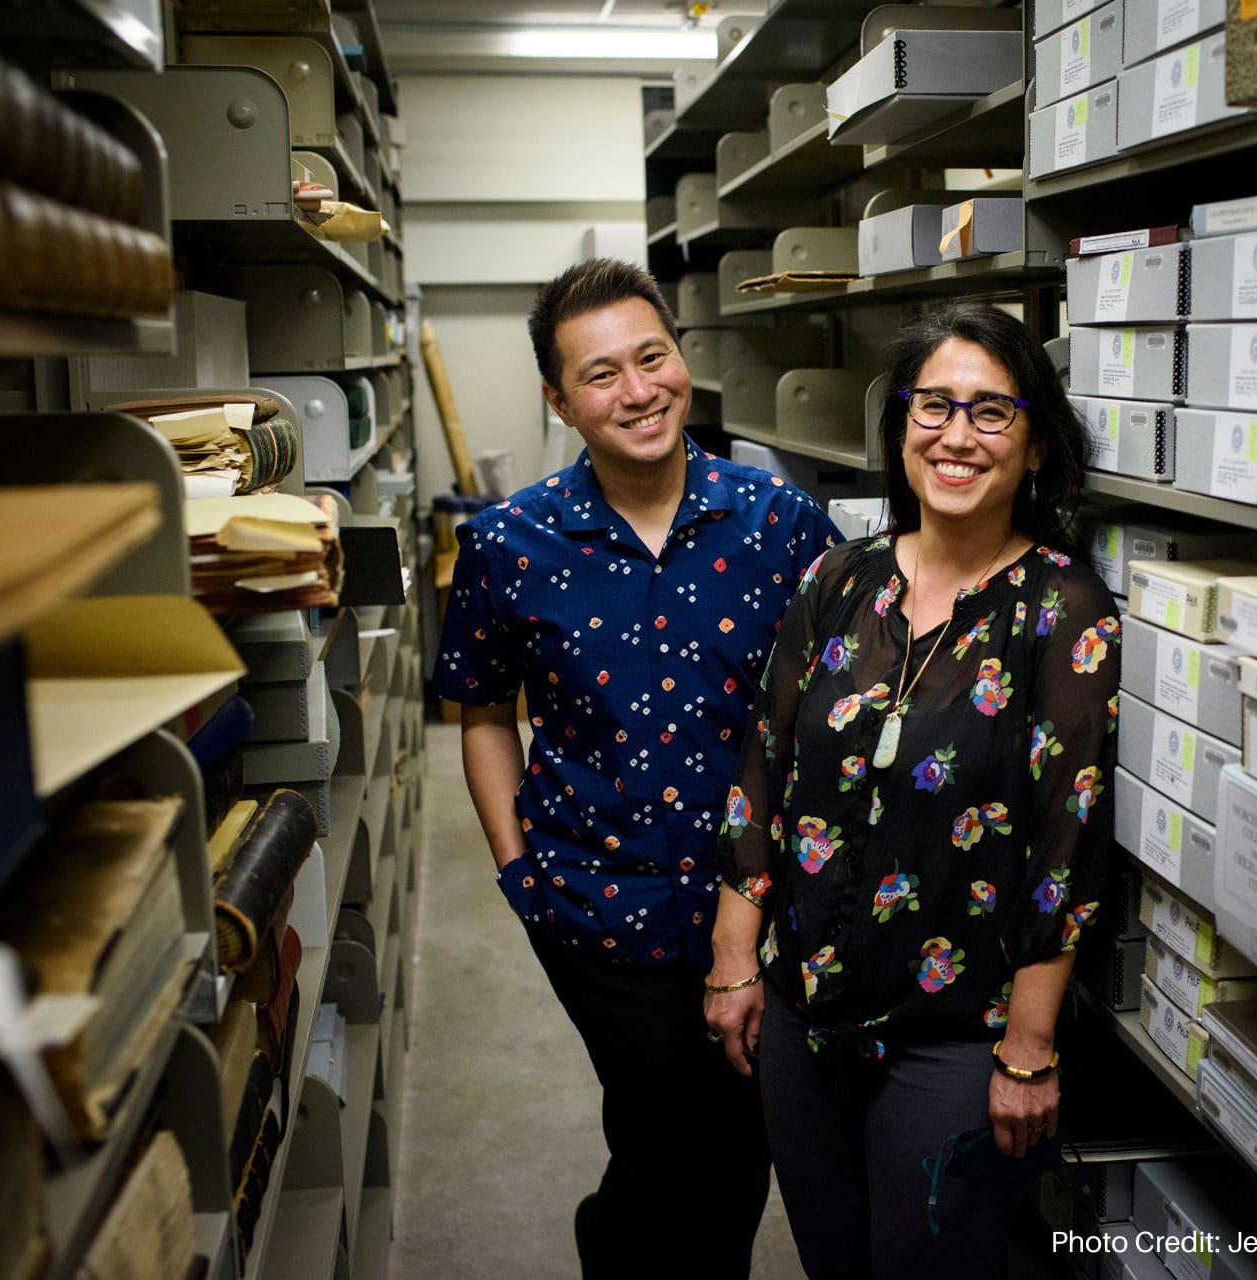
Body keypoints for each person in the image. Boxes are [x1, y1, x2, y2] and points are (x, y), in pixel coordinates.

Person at [432, 258, 840, 1279]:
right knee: (686, 1143)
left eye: (652, 356)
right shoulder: (508, 543)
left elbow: (840, 696)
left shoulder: (778, 522)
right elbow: (482, 710)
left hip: (760, 900)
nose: (638, 390)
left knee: (727, 1146)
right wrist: (519, 869)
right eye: (601, 373)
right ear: (559, 400)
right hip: (596, 904)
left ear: (682, 357)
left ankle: (614, 1241)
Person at [705, 304, 1121, 1278]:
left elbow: (1069, 845)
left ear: (1036, 445)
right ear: (900, 427)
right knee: (831, 1258)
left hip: (954, 1038)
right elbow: (763, 770)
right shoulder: (837, 578)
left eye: (992, 411)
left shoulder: (1062, 608)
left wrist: (1029, 1046)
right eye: (935, 404)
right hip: (800, 1014)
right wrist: (734, 960)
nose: (958, 434)